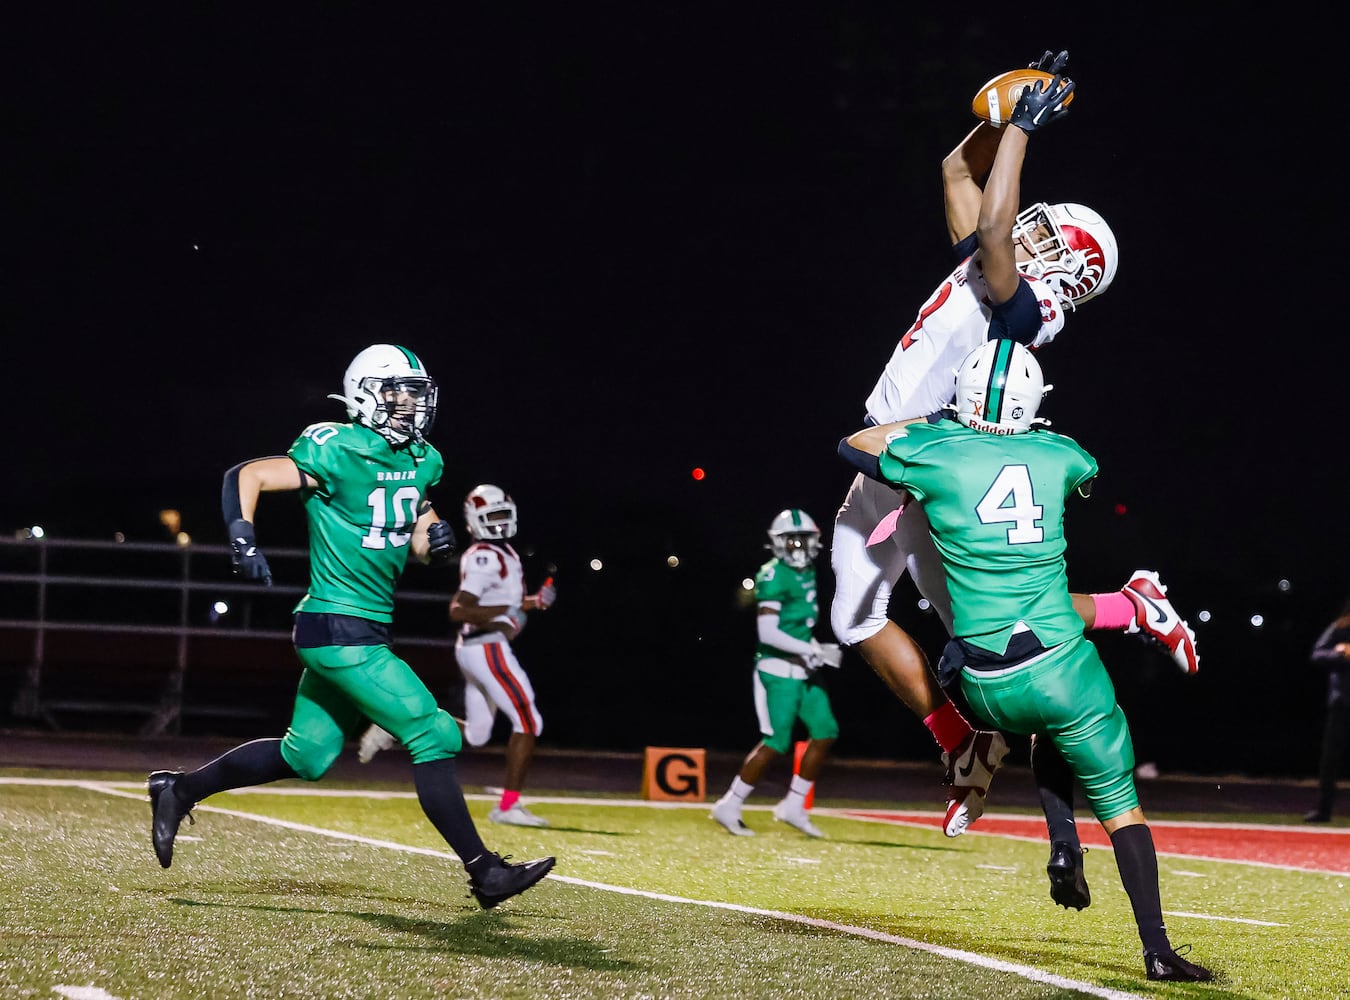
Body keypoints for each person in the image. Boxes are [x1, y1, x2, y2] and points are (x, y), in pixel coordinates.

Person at [828, 51, 1199, 841]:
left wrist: (1027, 129)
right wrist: (998, 113)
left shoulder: (1028, 309)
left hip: (934, 466)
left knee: (990, 626)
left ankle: (1129, 607)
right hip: (902, 457)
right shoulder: (997, 274)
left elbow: (996, 222)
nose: (1029, 228)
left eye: (1046, 232)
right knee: (855, 616)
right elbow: (959, 176)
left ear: (1066, 262)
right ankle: (967, 742)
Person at [839, 338, 1213, 982]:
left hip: (985, 686)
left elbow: (854, 444)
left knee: (1038, 716)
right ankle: (1156, 949)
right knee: (1118, 799)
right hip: (1063, 666)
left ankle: (1064, 843)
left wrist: (940, 420)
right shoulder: (1060, 453)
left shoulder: (935, 458)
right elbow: (1085, 468)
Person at [146, 344, 555, 910]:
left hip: (359, 629)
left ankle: (180, 788)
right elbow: (249, 474)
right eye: (399, 392)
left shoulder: (422, 457)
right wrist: (242, 534)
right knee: (433, 732)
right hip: (337, 626)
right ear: (366, 395)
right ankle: (485, 872)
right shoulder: (336, 446)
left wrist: (430, 538)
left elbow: (411, 515)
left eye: (417, 392)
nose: (413, 404)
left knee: (306, 755)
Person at [359, 483, 558, 829]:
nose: (498, 524)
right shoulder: (484, 556)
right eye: (491, 517)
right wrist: (513, 607)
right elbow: (459, 609)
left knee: (478, 734)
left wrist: (533, 603)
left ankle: (397, 725)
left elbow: (500, 604)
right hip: (486, 646)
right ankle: (508, 806)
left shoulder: (505, 553)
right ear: (475, 521)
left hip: (481, 647)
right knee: (528, 721)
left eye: (502, 516)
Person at [711, 509, 843, 838]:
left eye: (803, 540)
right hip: (776, 670)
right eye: (791, 540)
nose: (798, 546)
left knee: (825, 731)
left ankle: (794, 806)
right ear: (777, 543)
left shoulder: (808, 571)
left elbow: (797, 626)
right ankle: (729, 804)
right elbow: (768, 633)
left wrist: (813, 647)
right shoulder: (772, 575)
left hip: (803, 667)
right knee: (776, 742)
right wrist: (811, 650)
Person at [1304, 594, 1350, 822]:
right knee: (1330, 759)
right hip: (1341, 701)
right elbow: (1318, 654)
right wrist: (1340, 653)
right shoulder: (1340, 628)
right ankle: (1324, 809)